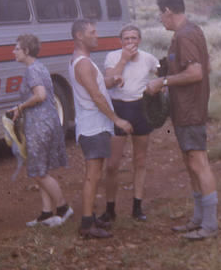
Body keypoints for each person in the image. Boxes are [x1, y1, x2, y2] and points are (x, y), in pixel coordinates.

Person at [145, 0, 219, 240]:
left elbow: (196, 73)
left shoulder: (185, 35)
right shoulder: (190, 32)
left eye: (160, 14)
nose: (160, 19)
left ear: (168, 11)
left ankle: (209, 225)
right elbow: (205, 67)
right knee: (191, 164)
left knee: (198, 163)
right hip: (187, 108)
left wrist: (163, 82)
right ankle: (199, 219)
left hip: (190, 110)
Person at [68, 19, 133, 239]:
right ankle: (87, 224)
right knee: (93, 175)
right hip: (92, 127)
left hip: (94, 126)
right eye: (92, 32)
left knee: (94, 174)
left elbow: (96, 86)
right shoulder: (83, 63)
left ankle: (89, 218)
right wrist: (117, 119)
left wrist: (111, 80)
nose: (97, 36)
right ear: (79, 36)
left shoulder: (83, 61)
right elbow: (95, 95)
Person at [7, 34, 73, 227]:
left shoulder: (31, 71)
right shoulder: (40, 67)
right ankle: (46, 212)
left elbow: (40, 95)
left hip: (39, 125)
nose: (14, 51)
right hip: (47, 123)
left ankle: (63, 208)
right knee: (41, 169)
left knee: (37, 172)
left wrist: (20, 107)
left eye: (17, 48)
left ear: (26, 51)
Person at [99, 24, 159, 223]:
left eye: (134, 38)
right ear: (121, 41)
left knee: (140, 160)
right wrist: (123, 60)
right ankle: (110, 209)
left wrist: (158, 88)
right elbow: (108, 80)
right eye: (126, 39)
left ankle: (137, 206)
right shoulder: (113, 57)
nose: (130, 42)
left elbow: (161, 75)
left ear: (139, 40)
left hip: (141, 108)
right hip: (119, 108)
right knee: (112, 164)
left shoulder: (148, 58)